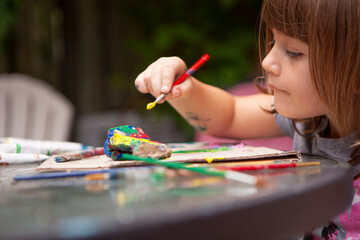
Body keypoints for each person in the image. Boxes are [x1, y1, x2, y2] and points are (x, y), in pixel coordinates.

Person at [134, 0, 360, 239]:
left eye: (293, 52)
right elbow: (229, 115)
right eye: (273, 41)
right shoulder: (310, 119)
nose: (267, 62)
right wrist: (183, 89)